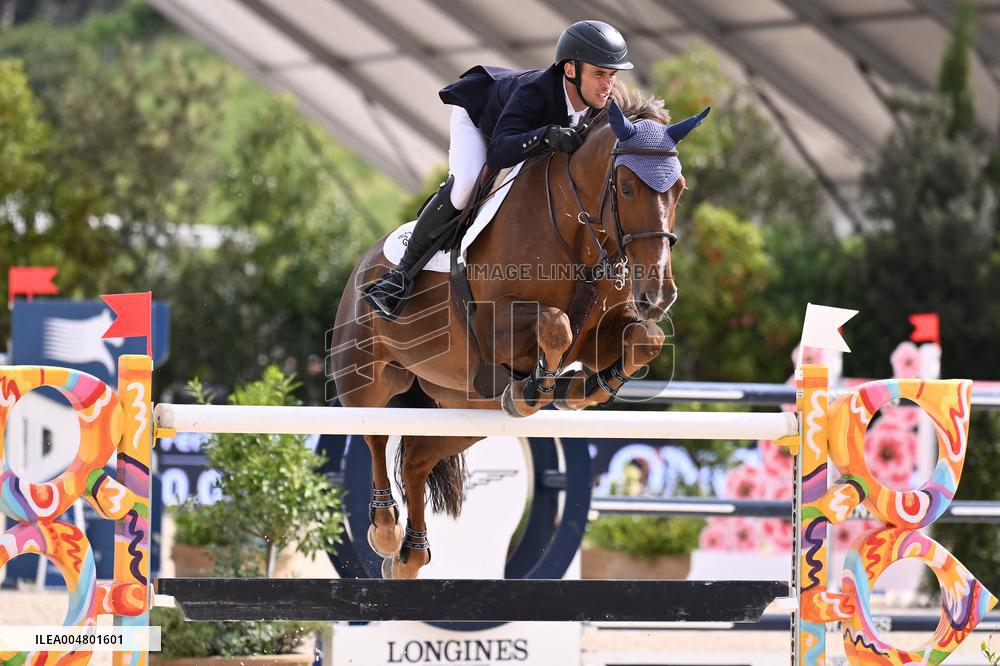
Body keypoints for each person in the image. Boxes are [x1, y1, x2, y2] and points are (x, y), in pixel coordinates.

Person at [362, 20, 634, 321]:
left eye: (612, 75)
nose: (607, 85)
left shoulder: (606, 105)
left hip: (520, 132)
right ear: (570, 69)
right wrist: (545, 135)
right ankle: (399, 277)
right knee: (466, 183)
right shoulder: (535, 92)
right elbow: (500, 151)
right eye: (599, 74)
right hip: (482, 121)